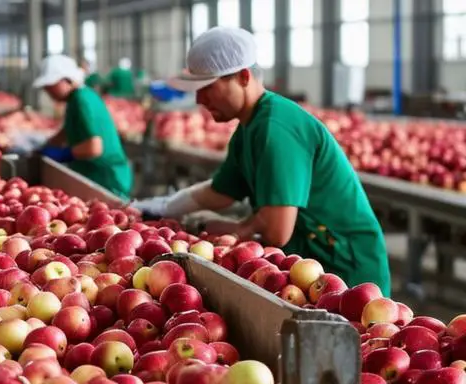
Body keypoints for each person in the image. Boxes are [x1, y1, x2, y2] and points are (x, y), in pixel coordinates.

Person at [130, 27, 391, 296]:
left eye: (207, 87)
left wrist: (235, 229)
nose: (199, 99)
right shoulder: (249, 129)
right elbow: (219, 192)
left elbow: (277, 230)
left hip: (345, 267)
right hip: (309, 262)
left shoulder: (276, 127)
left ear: (243, 77)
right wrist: (160, 206)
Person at [31, 55, 133, 199]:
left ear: (67, 79)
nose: (47, 90)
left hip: (105, 178)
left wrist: (63, 154)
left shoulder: (82, 100)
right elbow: (66, 131)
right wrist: (44, 147)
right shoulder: (75, 99)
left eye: (51, 84)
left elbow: (94, 148)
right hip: (94, 175)